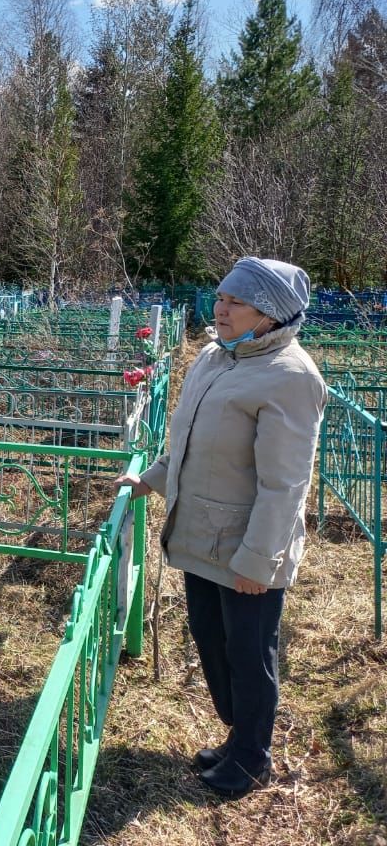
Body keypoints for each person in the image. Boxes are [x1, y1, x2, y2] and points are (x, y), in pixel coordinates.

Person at [116, 257, 326, 797]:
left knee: (249, 653)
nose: (221, 308)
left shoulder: (291, 379)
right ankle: (238, 738)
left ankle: (253, 756)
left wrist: (259, 561)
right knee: (211, 638)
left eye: (236, 303)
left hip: (248, 550)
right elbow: (189, 445)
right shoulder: (215, 357)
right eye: (221, 297)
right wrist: (150, 479)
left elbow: (285, 485)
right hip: (201, 534)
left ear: (271, 315)